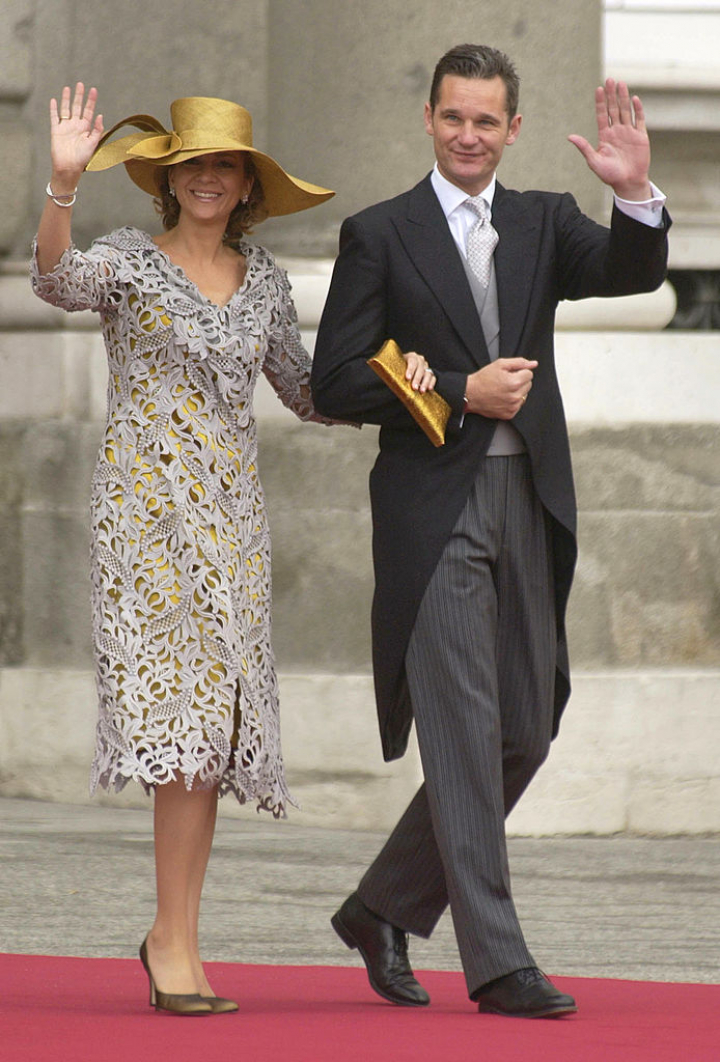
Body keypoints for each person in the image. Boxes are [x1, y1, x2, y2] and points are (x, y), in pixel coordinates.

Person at [310, 43, 669, 1019]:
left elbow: (631, 273)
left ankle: (383, 907)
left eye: (487, 121)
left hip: (529, 500)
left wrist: (636, 194)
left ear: (511, 130)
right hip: (433, 511)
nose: (468, 135)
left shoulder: (546, 221)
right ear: (429, 119)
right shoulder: (379, 233)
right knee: (465, 734)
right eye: (453, 117)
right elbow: (334, 380)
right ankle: (499, 963)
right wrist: (459, 392)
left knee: (526, 724)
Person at [32, 83, 339, 1015]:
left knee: (207, 738)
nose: (209, 178)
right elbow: (53, 281)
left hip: (231, 530)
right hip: (143, 524)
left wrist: (403, 375)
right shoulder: (128, 261)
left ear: (248, 183)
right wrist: (61, 183)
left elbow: (308, 391)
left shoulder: (269, 283)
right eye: (194, 164)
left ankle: (177, 937)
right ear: (170, 179)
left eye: (225, 165)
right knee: (179, 734)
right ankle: (172, 940)